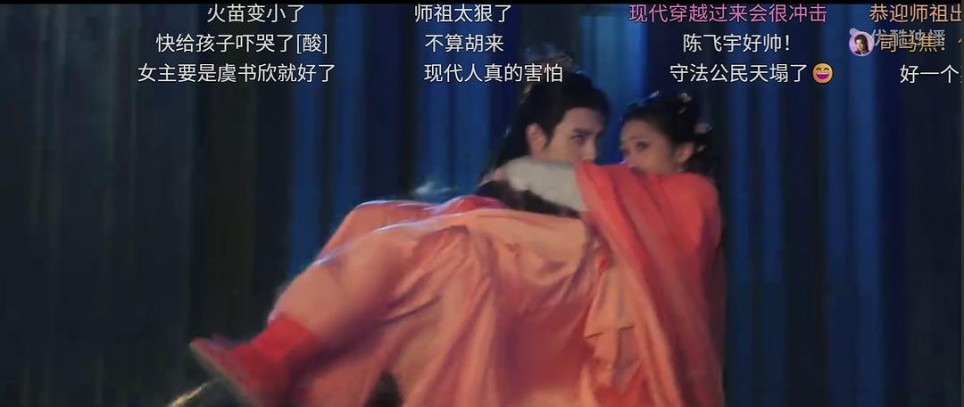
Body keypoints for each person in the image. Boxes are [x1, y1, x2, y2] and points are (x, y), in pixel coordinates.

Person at [187, 80, 725, 407]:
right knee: (381, 221)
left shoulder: (688, 199)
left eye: (639, 147)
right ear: (538, 136)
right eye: (615, 147)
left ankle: (282, 359)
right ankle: (285, 358)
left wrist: (513, 181)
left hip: (579, 363)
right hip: (531, 327)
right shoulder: (620, 204)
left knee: (443, 248)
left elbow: (598, 207)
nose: (617, 162)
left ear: (682, 153)